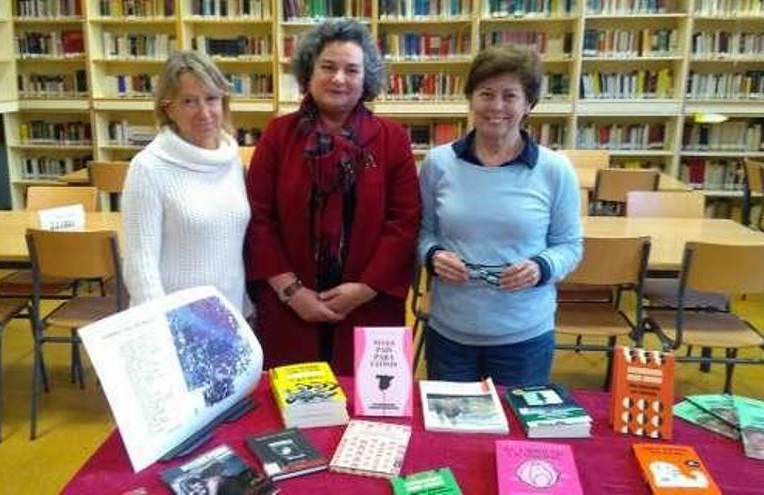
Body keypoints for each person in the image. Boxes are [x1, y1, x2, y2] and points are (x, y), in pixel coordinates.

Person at [246, 19, 420, 373]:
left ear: (365, 79)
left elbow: (403, 223)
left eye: (351, 70)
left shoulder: (392, 139)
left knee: (367, 410)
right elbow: (260, 219)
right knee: (295, 412)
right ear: (309, 72)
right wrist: (292, 292)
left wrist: (366, 288)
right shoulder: (279, 134)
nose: (339, 78)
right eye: (328, 67)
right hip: (289, 307)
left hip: (368, 304)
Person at [417, 45, 583, 386]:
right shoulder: (437, 163)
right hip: (450, 334)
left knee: (515, 433)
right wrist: (432, 256)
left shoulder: (555, 169)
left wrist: (541, 267)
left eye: (510, 96)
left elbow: (570, 246)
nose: (496, 106)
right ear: (471, 99)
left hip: (524, 336)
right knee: (453, 436)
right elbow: (422, 233)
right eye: (486, 94)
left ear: (528, 104)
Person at [122, 51, 250, 313]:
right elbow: (140, 265)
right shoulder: (148, 167)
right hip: (178, 319)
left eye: (212, 99)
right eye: (189, 101)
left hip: (231, 313)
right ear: (168, 108)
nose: (205, 112)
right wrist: (161, 328)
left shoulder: (232, 160)